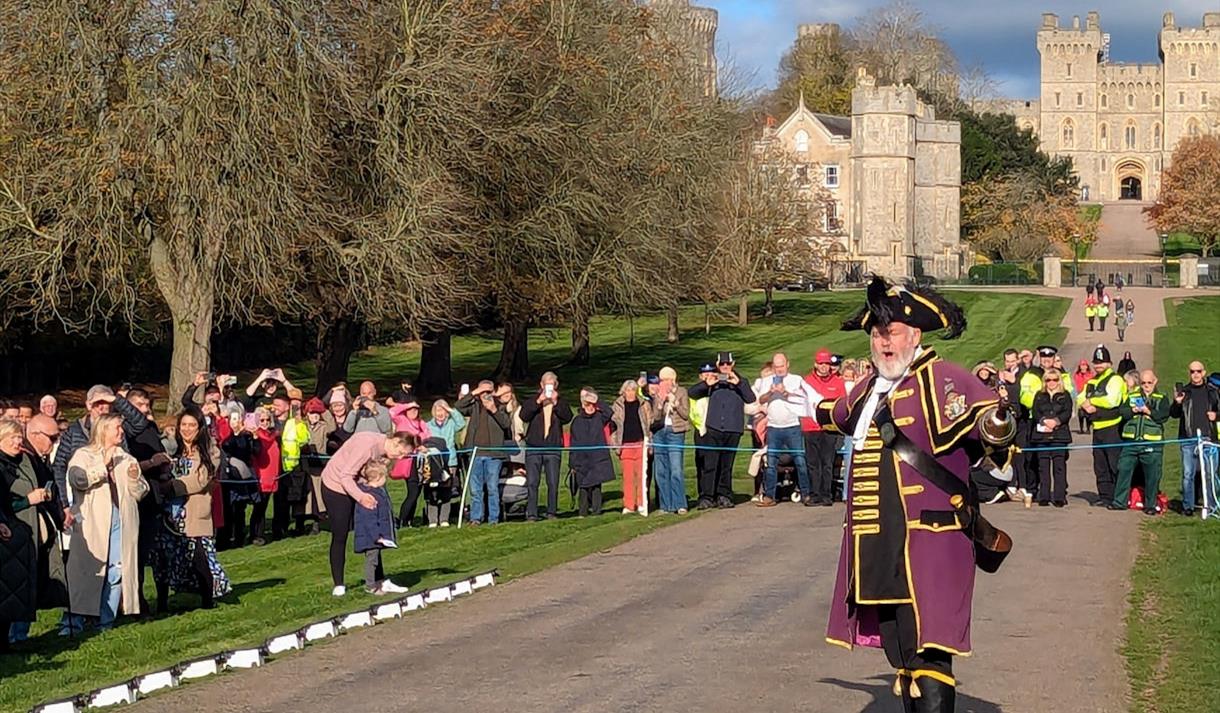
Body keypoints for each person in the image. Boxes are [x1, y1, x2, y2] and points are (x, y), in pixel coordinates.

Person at [814, 276, 1014, 712]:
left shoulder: (945, 380)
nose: (884, 342)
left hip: (930, 539)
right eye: (877, 334)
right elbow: (832, 412)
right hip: (877, 543)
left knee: (932, 647)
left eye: (892, 333)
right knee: (902, 651)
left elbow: (990, 425)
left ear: (915, 335)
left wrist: (997, 427)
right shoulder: (869, 390)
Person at [64, 414, 148, 631]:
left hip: (121, 520)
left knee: (117, 569)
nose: (121, 431)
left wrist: (133, 479)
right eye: (117, 428)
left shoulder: (126, 458)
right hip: (93, 524)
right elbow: (77, 480)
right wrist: (103, 466)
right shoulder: (83, 455)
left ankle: (106, 620)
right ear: (103, 430)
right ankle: (75, 621)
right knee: (86, 572)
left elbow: (140, 492)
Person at [152, 410, 232, 611]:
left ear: (199, 429)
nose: (187, 430)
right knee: (163, 559)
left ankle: (207, 601)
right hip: (171, 514)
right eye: (183, 425)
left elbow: (201, 480)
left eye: (192, 425)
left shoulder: (208, 451)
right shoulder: (171, 450)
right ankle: (162, 603)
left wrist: (171, 487)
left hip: (195, 512)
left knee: (199, 556)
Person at [320, 431, 411, 596]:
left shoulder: (383, 450)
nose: (399, 457)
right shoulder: (368, 447)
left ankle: (379, 580)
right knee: (340, 534)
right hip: (335, 487)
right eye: (400, 452)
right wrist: (361, 497)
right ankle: (339, 584)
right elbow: (345, 476)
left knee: (374, 530)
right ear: (395, 441)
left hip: (357, 485)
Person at [0, 418, 54, 647]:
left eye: (19, 436)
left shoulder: (23, 461)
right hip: (9, 533)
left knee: (19, 587)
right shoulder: (2, 467)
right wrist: (27, 501)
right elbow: (5, 503)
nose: (17, 441)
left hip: (24, 534)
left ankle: (15, 637)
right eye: (11, 437)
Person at [686, 352, 756, 510]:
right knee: (710, 464)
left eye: (728, 364)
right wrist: (707, 384)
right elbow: (692, 393)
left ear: (733, 364)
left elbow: (751, 399)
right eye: (722, 364)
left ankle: (724, 494)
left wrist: (738, 383)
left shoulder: (741, 381)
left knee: (726, 464)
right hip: (714, 427)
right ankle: (707, 496)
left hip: (733, 428)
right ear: (718, 365)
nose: (725, 367)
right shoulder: (713, 382)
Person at [52, 384, 115, 524]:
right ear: (88, 405)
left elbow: (139, 423)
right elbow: (58, 466)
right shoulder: (74, 431)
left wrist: (116, 399)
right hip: (84, 501)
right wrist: (63, 504)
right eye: (97, 403)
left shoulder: (120, 430)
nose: (102, 408)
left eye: (106, 403)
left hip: (114, 501)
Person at [1112, 370, 1172, 515]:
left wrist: (1148, 411)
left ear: (1155, 381)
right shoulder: (1132, 396)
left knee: (1152, 475)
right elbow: (1122, 412)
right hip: (1131, 442)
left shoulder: (1161, 398)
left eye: (1149, 383)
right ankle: (1119, 502)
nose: (1146, 386)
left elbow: (1163, 416)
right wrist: (1133, 410)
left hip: (1151, 443)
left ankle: (1150, 505)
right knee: (1123, 469)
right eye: (1143, 383)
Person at [518, 372, 574, 521]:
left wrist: (555, 402)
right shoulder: (532, 400)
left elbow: (567, 417)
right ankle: (532, 513)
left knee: (553, 482)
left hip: (552, 447)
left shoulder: (561, 402)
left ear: (556, 386)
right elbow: (524, 416)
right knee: (532, 482)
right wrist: (538, 401)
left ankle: (552, 512)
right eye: (546, 384)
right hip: (534, 447)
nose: (549, 387)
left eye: (552, 384)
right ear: (541, 385)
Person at [455, 381, 512, 526]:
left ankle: (493, 518)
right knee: (475, 489)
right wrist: (474, 392)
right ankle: (476, 518)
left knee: (492, 488)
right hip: (475, 453)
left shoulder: (500, 406)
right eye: (483, 391)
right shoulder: (474, 406)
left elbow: (506, 424)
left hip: (494, 454)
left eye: (488, 391)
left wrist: (493, 409)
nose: (486, 394)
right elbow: (458, 407)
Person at [1078, 345, 1128, 507]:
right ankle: (1105, 496)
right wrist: (1085, 404)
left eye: (1102, 362)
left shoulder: (1115, 379)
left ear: (1110, 363)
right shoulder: (1092, 381)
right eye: (1096, 362)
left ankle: (1118, 497)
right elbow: (1079, 398)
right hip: (1097, 428)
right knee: (1100, 466)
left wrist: (1091, 401)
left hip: (1112, 428)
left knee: (1115, 465)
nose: (1098, 365)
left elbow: (1112, 400)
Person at [1169, 361, 1219, 517]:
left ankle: (1210, 505)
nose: (1195, 374)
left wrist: (1216, 416)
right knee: (1188, 474)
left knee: (1210, 474)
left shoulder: (1213, 392)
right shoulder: (1184, 392)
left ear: (1204, 373)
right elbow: (1174, 414)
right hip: (1188, 439)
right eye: (1192, 371)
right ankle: (1188, 506)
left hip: (1208, 438)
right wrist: (1177, 403)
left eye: (1198, 371)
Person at [800, 349, 844, 507]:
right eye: (821, 364)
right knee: (813, 463)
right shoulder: (807, 382)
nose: (824, 367)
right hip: (810, 427)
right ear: (815, 364)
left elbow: (841, 404)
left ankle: (826, 494)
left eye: (827, 364)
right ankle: (814, 494)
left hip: (829, 427)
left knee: (827, 462)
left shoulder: (838, 382)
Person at [352, 458, 399, 593]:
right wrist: (376, 536)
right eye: (384, 477)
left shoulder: (379, 492)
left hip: (376, 534)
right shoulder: (370, 496)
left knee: (375, 559)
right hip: (370, 536)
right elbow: (369, 520)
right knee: (371, 561)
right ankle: (370, 586)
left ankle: (377, 582)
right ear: (378, 478)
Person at [649, 366, 690, 515]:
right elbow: (655, 417)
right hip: (660, 433)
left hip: (675, 433)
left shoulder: (681, 392)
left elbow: (686, 414)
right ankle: (665, 505)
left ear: (673, 379)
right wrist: (660, 403)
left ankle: (680, 504)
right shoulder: (658, 394)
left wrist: (675, 403)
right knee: (660, 470)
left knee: (675, 469)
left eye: (666, 379)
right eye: (662, 380)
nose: (664, 383)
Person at [1029, 368, 1073, 507]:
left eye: (1054, 380)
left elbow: (1067, 412)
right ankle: (1044, 496)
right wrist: (1044, 421)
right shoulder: (1039, 395)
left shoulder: (1065, 395)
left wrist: (1056, 422)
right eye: (1048, 380)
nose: (1051, 383)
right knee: (1043, 467)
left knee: (1059, 467)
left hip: (1059, 435)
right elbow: (1035, 412)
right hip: (1041, 436)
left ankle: (1059, 497)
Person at [570, 388, 616, 517]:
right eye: (587, 405)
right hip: (581, 458)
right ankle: (582, 512)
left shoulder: (599, 418)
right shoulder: (577, 421)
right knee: (583, 487)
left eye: (592, 405)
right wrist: (572, 463)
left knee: (596, 486)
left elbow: (609, 412)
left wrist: (597, 401)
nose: (590, 407)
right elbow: (573, 443)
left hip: (597, 458)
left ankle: (596, 511)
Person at [611, 380, 651, 514]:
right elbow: (613, 425)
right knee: (628, 477)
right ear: (623, 391)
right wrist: (615, 443)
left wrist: (649, 441)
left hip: (640, 443)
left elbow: (649, 422)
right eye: (628, 390)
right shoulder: (617, 405)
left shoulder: (643, 404)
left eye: (633, 390)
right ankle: (628, 505)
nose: (630, 393)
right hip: (625, 444)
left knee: (641, 476)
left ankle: (641, 503)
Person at [249, 408, 285, 544]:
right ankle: (256, 534)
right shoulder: (255, 435)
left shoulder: (274, 435)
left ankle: (275, 531)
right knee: (259, 507)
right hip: (261, 476)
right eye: (262, 420)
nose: (264, 422)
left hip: (274, 475)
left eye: (267, 420)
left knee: (268, 505)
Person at [688, 364, 714, 504]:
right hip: (701, 430)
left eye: (710, 373)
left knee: (715, 463)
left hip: (715, 430)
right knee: (702, 464)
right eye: (705, 374)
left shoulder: (717, 387)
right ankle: (703, 494)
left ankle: (714, 492)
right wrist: (706, 384)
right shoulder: (697, 390)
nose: (708, 376)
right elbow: (692, 392)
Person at [1072, 360, 1094, 434]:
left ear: (1087, 366)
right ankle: (1081, 428)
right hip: (1080, 396)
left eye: (1085, 365)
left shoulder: (1091, 375)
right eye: (1082, 365)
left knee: (1088, 414)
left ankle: (1088, 428)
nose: (1083, 367)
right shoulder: (1077, 375)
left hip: (1088, 395)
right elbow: (1074, 385)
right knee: (1081, 414)